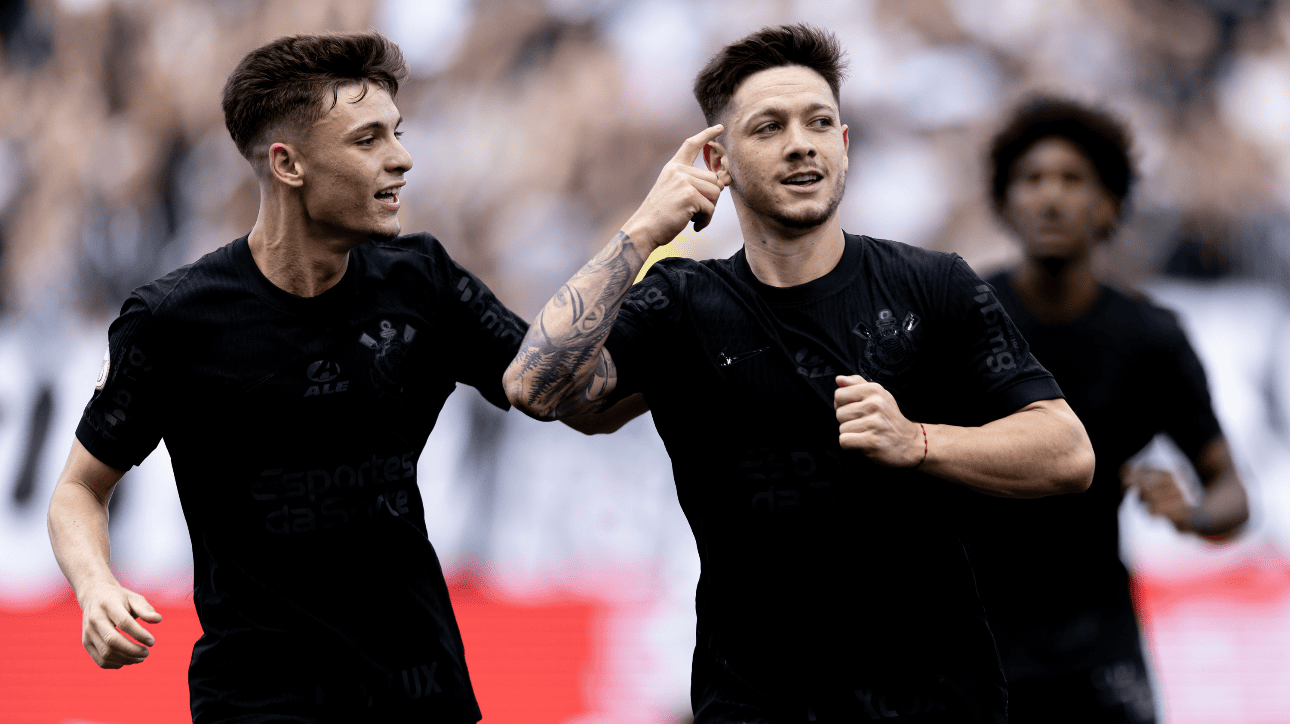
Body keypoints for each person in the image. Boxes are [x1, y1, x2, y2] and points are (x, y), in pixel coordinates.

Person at [503, 24, 1095, 723]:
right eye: (769, 126)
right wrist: (642, 231)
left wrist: (922, 442)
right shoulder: (682, 308)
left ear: (844, 147)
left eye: (819, 122)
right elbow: (534, 388)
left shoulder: (934, 287)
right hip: (754, 704)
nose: (801, 142)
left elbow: (1068, 453)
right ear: (716, 160)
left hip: (935, 702)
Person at [44, 31, 625, 723]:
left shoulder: (423, 280)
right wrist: (95, 586)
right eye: (369, 139)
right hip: (259, 703)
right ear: (289, 165)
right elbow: (79, 489)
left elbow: (574, 399)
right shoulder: (173, 319)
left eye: (398, 134)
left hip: (422, 693)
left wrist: (641, 234)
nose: (402, 159)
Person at [966, 96, 1250, 724]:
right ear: (1005, 202)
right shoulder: (958, 320)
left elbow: (1233, 493)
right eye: (1032, 179)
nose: (1050, 197)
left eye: (1073, 180)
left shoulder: (1152, 338)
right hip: (971, 643)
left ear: (1110, 206)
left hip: (1099, 645)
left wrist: (1196, 516)